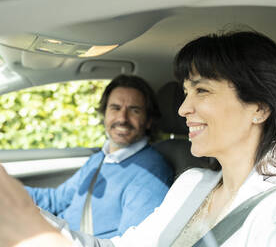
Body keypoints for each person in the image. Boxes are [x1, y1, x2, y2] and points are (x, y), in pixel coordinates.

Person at [0, 31, 276, 247]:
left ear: (259, 108)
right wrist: (23, 216)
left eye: (202, 90)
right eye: (186, 92)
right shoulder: (191, 184)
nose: (183, 108)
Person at [23, 74, 174, 238]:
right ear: (105, 113)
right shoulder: (100, 159)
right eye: (115, 108)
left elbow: (131, 243)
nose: (122, 118)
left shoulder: (151, 172)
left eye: (134, 110)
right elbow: (55, 200)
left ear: (148, 121)